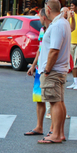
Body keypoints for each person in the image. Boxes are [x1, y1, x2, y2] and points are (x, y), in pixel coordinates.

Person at [37, 0, 72, 144]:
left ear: (48, 9)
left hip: (54, 69)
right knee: (59, 102)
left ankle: (56, 134)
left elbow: (54, 50)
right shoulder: (62, 23)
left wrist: (47, 69)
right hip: (59, 69)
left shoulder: (57, 25)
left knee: (55, 102)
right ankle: (60, 132)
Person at [26, 9, 50, 137]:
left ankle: (53, 130)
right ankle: (39, 126)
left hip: (49, 68)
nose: (39, 19)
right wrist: (33, 65)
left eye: (39, 16)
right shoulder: (42, 30)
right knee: (39, 98)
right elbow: (40, 50)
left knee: (53, 100)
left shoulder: (54, 29)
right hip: (40, 68)